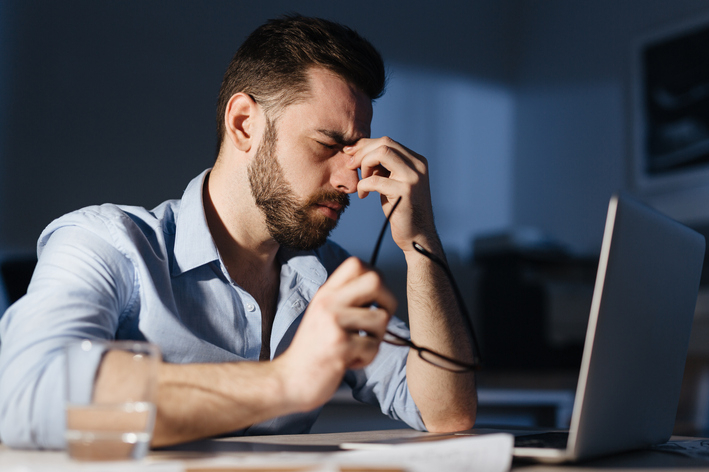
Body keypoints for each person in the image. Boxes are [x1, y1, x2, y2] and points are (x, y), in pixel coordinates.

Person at [0, 15, 477, 449]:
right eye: (329, 144)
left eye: (356, 154)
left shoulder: (328, 277)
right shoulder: (107, 243)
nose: (351, 182)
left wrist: (421, 243)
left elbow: (446, 413)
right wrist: (284, 381)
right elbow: (24, 393)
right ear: (244, 124)